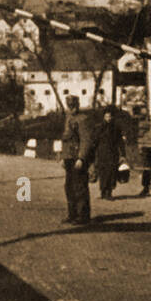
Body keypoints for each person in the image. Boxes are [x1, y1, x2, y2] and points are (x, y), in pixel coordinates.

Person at [59, 95, 95, 225]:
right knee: (69, 187)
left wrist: (82, 158)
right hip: (69, 157)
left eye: (73, 106)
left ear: (78, 105)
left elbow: (86, 140)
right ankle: (72, 214)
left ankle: (83, 215)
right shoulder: (68, 119)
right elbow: (65, 140)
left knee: (79, 187)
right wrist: (63, 157)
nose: (71, 108)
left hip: (77, 158)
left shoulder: (83, 119)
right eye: (69, 106)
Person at [93, 105, 127, 200]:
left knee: (111, 172)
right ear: (104, 117)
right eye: (106, 117)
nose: (108, 118)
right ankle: (103, 191)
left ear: (112, 117)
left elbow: (120, 141)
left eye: (110, 117)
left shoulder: (116, 128)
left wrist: (123, 154)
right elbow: (94, 141)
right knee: (102, 172)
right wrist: (92, 153)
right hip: (102, 153)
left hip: (113, 153)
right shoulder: (99, 127)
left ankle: (109, 192)